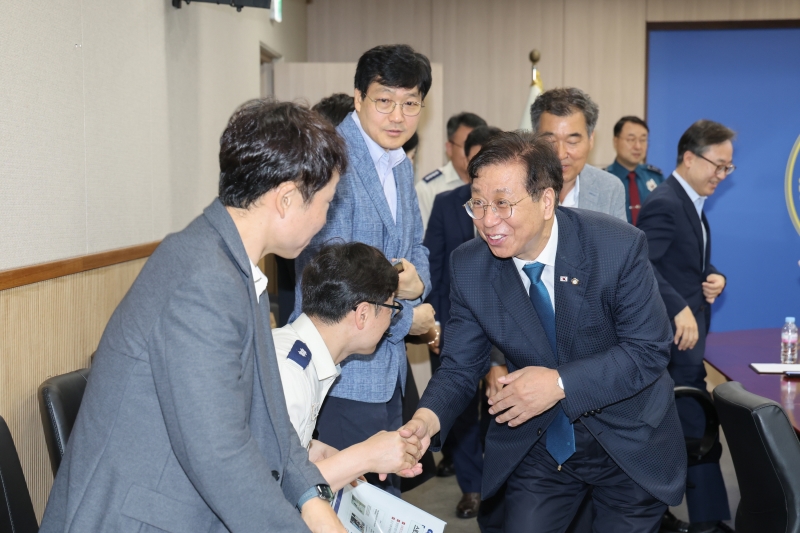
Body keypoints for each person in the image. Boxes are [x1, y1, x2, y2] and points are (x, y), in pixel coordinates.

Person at [39, 100, 350, 533]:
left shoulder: (232, 263)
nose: (326, 218)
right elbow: (219, 455)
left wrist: (310, 497)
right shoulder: (203, 278)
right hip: (137, 519)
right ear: (286, 199)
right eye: (326, 203)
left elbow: (270, 415)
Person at [402, 131, 686, 533]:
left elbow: (648, 351)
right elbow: (460, 366)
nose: (487, 221)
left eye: (503, 203)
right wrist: (426, 420)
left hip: (629, 438)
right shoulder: (471, 265)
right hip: (541, 442)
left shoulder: (615, 247)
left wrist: (559, 382)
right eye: (478, 203)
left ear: (547, 200)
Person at [292, 44, 435, 497]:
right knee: (345, 502)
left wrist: (419, 279)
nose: (398, 116)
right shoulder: (332, 160)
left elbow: (417, 247)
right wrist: (410, 317)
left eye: (410, 103)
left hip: (384, 369)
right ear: (357, 98)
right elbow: (333, 281)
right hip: (342, 371)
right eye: (384, 101)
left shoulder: (396, 162)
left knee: (372, 505)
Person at [638, 120, 735, 533]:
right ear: (690, 158)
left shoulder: (688, 202)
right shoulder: (665, 201)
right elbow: (641, 263)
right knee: (692, 428)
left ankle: (699, 519)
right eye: (718, 165)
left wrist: (714, 277)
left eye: (728, 168)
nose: (722, 174)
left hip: (686, 343)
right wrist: (678, 307)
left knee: (691, 427)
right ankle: (705, 522)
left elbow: (685, 263)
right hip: (671, 341)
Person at [274, 242, 423, 491]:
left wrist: (312, 450)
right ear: (362, 314)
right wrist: (365, 456)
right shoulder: (288, 373)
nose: (391, 319)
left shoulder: (301, 356)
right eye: (391, 307)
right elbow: (272, 488)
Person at [424, 125, 502, 519]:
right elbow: (434, 270)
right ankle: (472, 487)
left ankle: (498, 481)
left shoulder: (512, 207)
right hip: (455, 327)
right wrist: (436, 325)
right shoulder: (445, 203)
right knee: (461, 411)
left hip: (506, 330)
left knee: (500, 408)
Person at [530, 87, 626, 221]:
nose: (561, 154)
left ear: (590, 140)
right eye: (550, 142)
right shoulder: (517, 186)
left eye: (572, 141)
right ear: (534, 139)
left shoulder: (609, 189)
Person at [415, 112, 488, 229]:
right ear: (449, 148)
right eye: (467, 146)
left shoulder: (494, 186)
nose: (475, 154)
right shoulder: (428, 189)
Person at [605, 116, 664, 225]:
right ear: (615, 141)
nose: (638, 146)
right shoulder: (604, 179)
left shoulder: (656, 177)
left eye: (643, 140)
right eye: (631, 140)